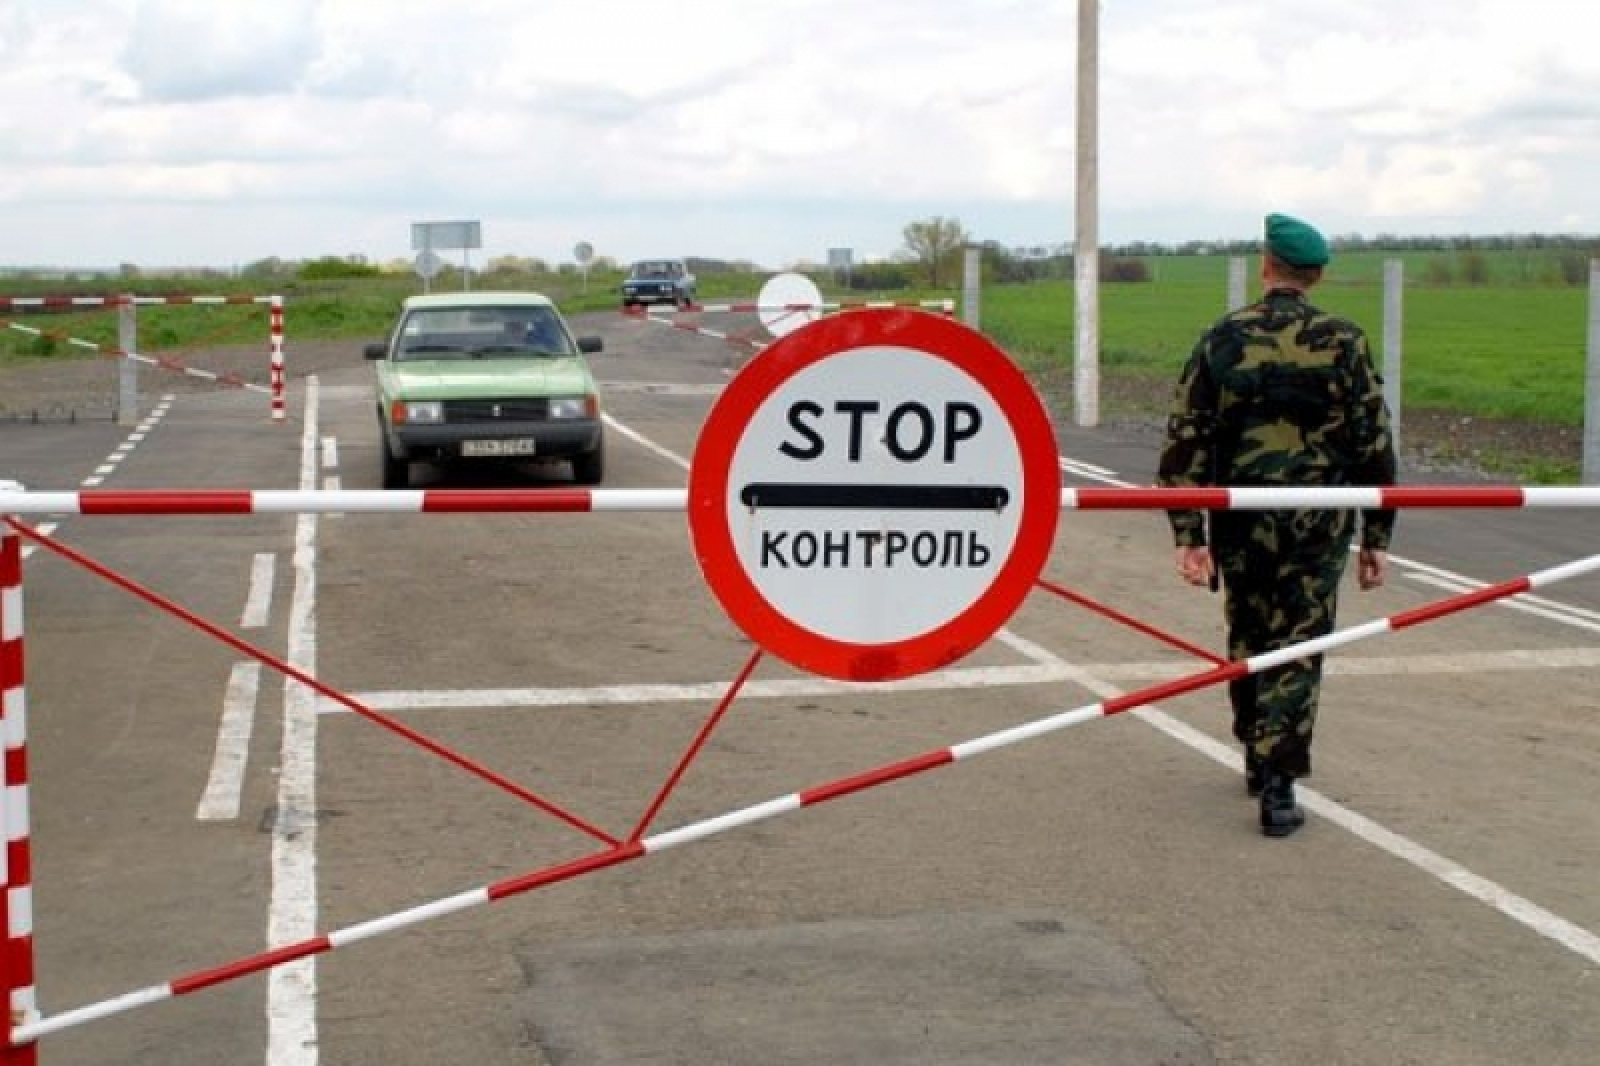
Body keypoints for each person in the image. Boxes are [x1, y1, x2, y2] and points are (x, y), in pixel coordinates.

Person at [1156, 212, 1398, 838]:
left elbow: (1188, 438)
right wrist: (1377, 535)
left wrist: (1189, 535)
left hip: (1242, 516)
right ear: (1314, 275)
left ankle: (1258, 751)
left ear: (1266, 266)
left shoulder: (1223, 338)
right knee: (1300, 640)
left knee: (1251, 631)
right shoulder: (1345, 341)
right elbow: (1374, 442)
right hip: (1318, 525)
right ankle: (1278, 777)